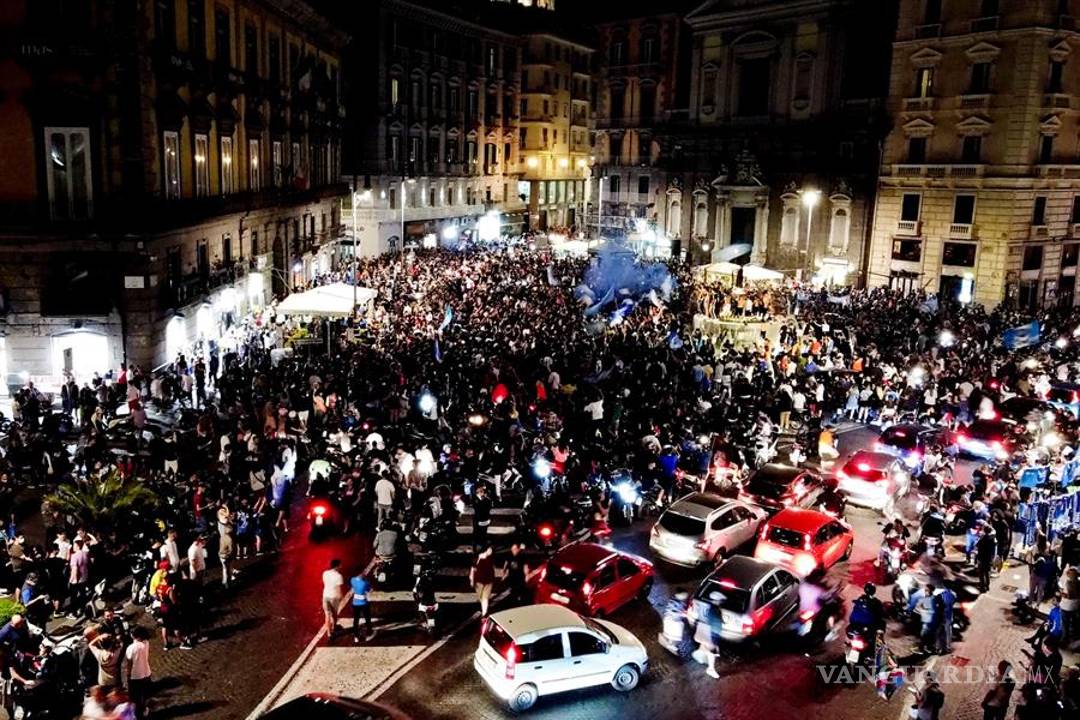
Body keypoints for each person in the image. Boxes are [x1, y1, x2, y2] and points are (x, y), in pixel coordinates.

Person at [125, 625, 153, 719]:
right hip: (146, 672)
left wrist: (128, 674)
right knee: (144, 694)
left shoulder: (131, 648)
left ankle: (138, 713)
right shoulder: (146, 643)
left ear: (134, 635)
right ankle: (144, 709)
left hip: (135, 675)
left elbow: (129, 663)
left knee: (135, 697)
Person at [321, 559, 346, 638]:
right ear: (337, 566)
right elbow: (339, 589)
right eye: (340, 565)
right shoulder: (339, 576)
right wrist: (341, 598)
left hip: (325, 596)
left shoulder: (325, 573)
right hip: (334, 597)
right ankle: (334, 627)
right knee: (334, 614)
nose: (341, 566)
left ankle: (329, 633)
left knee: (327, 615)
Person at [470, 545, 496, 618]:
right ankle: (484, 609)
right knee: (481, 596)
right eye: (489, 550)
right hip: (479, 580)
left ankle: (484, 612)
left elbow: (492, 568)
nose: (490, 551)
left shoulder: (490, 559)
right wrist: (471, 579)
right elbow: (473, 569)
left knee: (485, 597)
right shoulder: (478, 558)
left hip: (488, 581)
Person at [349, 570, 374, 643]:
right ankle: (369, 632)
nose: (364, 574)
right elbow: (370, 590)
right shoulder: (365, 583)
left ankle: (356, 636)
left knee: (356, 619)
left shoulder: (352, 580)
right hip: (364, 603)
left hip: (355, 603)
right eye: (363, 573)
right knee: (367, 618)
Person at [472, 484, 492, 552]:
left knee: (483, 533)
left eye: (482, 491)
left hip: (484, 519)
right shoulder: (475, 499)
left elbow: (489, 508)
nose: (483, 492)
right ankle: (476, 546)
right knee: (477, 533)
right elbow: (477, 509)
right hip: (479, 519)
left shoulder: (486, 499)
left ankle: (482, 545)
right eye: (481, 491)